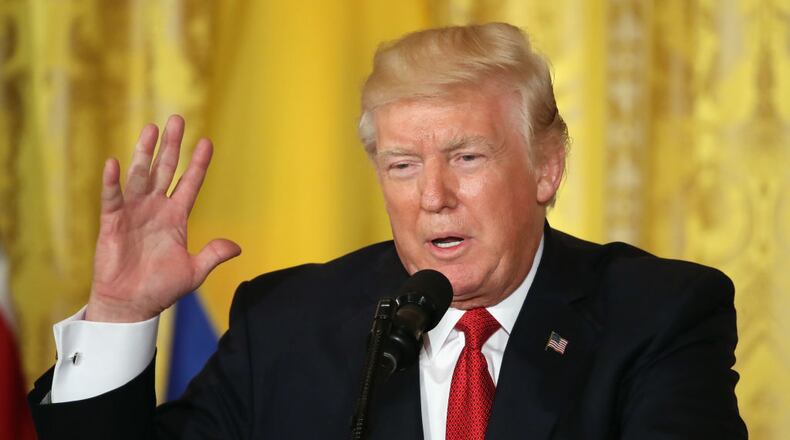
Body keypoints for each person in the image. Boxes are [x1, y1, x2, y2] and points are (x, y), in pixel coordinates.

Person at [28, 23, 747, 439]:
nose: (433, 197)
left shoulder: (657, 315)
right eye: (403, 165)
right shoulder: (287, 324)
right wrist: (118, 314)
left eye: (467, 158)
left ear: (546, 167)